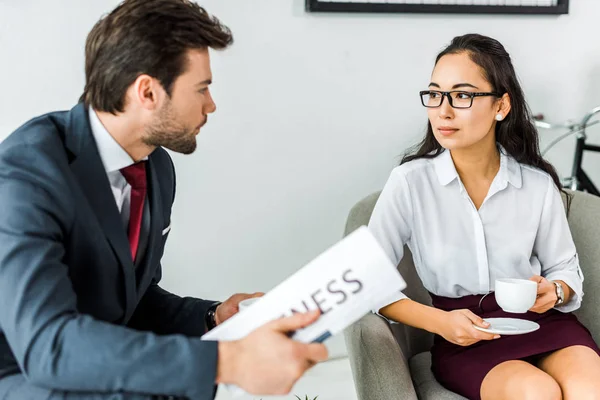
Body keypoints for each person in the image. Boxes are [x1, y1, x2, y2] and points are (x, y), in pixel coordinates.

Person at [0, 1, 327, 399]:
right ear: (148, 91)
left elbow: (129, 304)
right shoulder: (26, 175)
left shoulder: (156, 168)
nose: (211, 105)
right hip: (20, 373)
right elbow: (48, 344)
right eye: (202, 88)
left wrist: (211, 317)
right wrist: (228, 361)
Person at [369, 33, 600, 400]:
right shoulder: (410, 183)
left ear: (501, 106)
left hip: (544, 324)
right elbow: (367, 279)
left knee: (592, 390)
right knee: (535, 393)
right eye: (434, 94)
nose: (442, 111)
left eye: (462, 95)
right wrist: (440, 322)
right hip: (463, 337)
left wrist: (554, 291)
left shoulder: (537, 185)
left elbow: (565, 269)